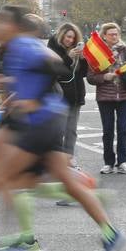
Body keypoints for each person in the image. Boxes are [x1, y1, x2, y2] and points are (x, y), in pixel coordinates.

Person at [0, 6, 126, 251]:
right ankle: (112, 235)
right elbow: (37, 71)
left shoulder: (21, 46)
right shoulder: (17, 47)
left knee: (10, 179)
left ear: (14, 26)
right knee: (68, 182)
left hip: (38, 123)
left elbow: (53, 65)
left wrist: (32, 100)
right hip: (48, 119)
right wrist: (6, 80)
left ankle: (16, 241)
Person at [87, 22, 126, 174]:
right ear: (104, 36)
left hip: (125, 96)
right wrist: (105, 76)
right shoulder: (98, 53)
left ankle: (122, 162)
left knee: (123, 130)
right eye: (111, 34)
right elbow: (90, 77)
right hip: (105, 97)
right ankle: (108, 163)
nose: (114, 37)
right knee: (108, 131)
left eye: (116, 34)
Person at [47, 22, 88, 168]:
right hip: (58, 96)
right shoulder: (53, 48)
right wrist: (68, 57)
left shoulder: (76, 50)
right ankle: (56, 160)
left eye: (73, 38)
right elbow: (54, 70)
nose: (70, 40)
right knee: (58, 130)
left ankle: (69, 159)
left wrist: (83, 59)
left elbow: (83, 74)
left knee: (71, 130)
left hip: (75, 95)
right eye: (68, 37)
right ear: (62, 35)